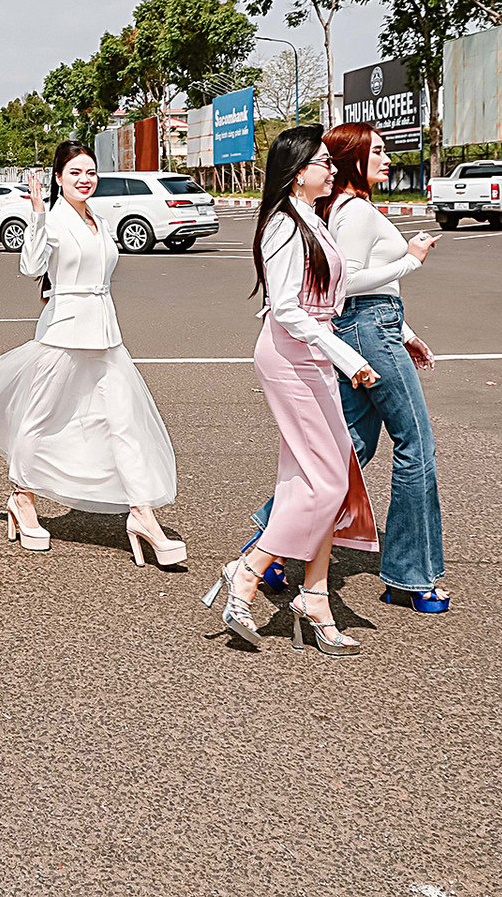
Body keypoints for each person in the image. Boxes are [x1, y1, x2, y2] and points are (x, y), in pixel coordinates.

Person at [0, 142, 182, 564]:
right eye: (75, 172)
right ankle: (22, 497)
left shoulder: (98, 218)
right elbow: (32, 266)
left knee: (124, 422)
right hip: (64, 331)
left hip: (106, 333)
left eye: (90, 171)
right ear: (59, 178)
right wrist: (36, 215)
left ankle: (142, 513)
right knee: (39, 417)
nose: (85, 179)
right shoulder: (53, 220)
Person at [248, 123, 448, 612]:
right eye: (376, 151)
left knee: (349, 449)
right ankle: (410, 575)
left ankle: (266, 547)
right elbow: (351, 286)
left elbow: (340, 291)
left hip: (374, 329)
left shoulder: (331, 210)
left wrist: (405, 332)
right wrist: (411, 261)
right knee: (415, 443)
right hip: (367, 331)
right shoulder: (353, 211)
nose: (385, 159)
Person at [204, 126, 381, 656]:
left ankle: (316, 595)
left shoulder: (313, 220)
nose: (332, 169)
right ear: (296, 171)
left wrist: (410, 284)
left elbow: (339, 290)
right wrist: (349, 359)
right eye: (323, 162)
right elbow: (287, 308)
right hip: (290, 358)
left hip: (313, 355)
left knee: (315, 478)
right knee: (326, 483)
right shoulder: (283, 225)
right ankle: (249, 568)